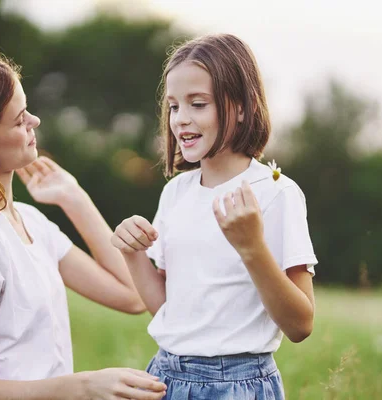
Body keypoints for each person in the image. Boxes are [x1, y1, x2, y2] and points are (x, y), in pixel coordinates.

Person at [0, 47, 167, 400]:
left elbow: (132, 296)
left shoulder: (30, 222)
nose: (34, 122)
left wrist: (74, 198)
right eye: (19, 118)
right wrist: (83, 386)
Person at [111, 33, 318, 399]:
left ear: (240, 107)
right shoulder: (176, 192)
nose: (182, 120)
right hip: (167, 376)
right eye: (174, 107)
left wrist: (252, 248)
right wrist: (132, 252)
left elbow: (301, 324)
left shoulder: (276, 193)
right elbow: (167, 309)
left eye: (198, 104)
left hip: (236, 384)